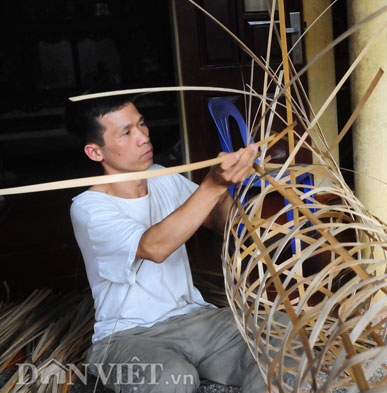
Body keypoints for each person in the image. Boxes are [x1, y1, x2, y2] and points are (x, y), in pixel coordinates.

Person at [65, 94, 264, 393]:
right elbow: (155, 247)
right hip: (128, 336)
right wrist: (212, 186)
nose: (144, 137)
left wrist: (228, 188)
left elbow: (222, 226)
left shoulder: (160, 176)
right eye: (126, 132)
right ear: (95, 152)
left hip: (197, 318)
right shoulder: (88, 207)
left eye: (141, 124)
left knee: (280, 343)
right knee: (172, 379)